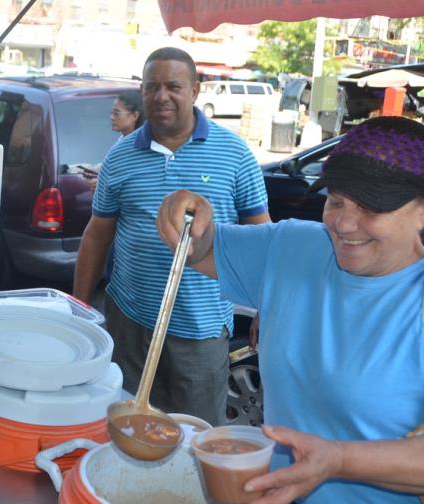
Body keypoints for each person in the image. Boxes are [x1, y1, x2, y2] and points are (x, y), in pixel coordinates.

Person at [156, 116, 424, 503]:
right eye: (336, 200)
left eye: (370, 208)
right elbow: (200, 246)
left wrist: (337, 460)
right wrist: (185, 209)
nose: (345, 224)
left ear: (423, 211)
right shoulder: (293, 247)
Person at [73, 47, 271, 426]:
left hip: (202, 327)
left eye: (173, 86)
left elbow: (262, 235)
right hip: (129, 321)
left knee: (194, 436)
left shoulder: (234, 154)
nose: (161, 96)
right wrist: (80, 306)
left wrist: (268, 305)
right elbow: (98, 234)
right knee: (125, 425)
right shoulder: (120, 156)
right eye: (152, 87)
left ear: (195, 90)